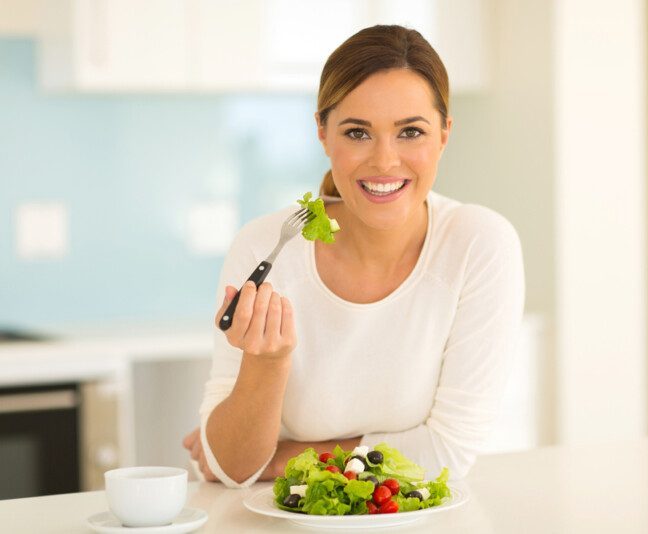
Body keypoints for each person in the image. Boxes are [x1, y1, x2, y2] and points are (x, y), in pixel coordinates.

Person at [182, 24, 525, 488]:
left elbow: (446, 451)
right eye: (358, 132)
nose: (384, 162)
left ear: (444, 134)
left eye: (410, 131)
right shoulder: (268, 247)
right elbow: (229, 467)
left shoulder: (478, 245)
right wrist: (267, 364)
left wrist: (286, 457)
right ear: (322, 133)